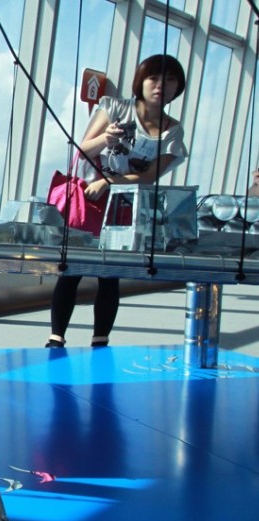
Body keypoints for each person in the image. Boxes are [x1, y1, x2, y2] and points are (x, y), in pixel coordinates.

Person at [46, 54, 189, 348]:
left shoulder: (173, 130)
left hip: (122, 206)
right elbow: (82, 148)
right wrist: (106, 139)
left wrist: (109, 181)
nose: (161, 85)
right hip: (88, 198)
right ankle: (56, 336)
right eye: (154, 78)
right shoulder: (114, 107)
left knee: (110, 273)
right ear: (141, 81)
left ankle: (100, 339)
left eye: (170, 79)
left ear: (178, 87)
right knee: (72, 268)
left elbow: (149, 176)